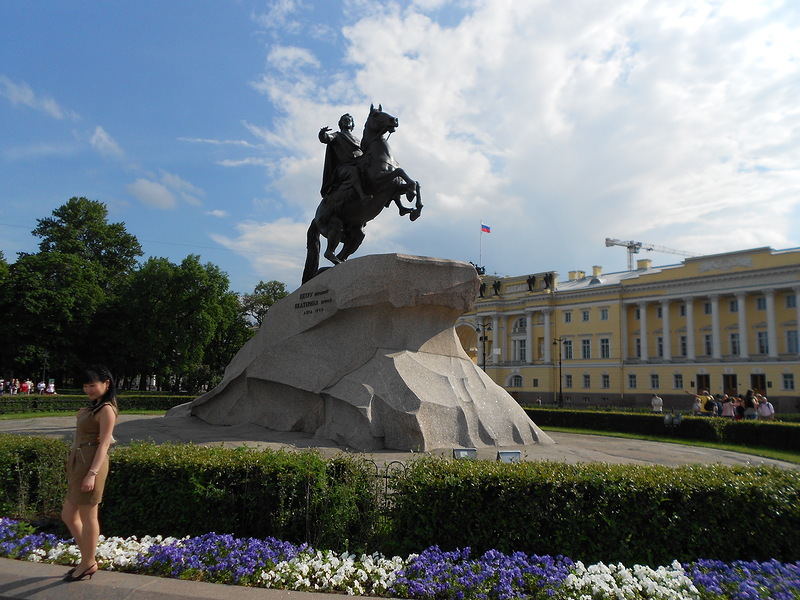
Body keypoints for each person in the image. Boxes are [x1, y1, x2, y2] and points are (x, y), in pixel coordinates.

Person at [60, 365, 118, 582]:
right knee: (68, 515)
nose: (88, 389)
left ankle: (87, 562)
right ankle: (88, 559)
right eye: (85, 385)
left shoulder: (106, 410)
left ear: (106, 384)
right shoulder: (95, 407)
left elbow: (104, 444)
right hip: (80, 462)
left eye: (92, 385)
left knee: (88, 515)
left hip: (92, 463)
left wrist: (92, 474)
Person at [318, 113, 372, 204]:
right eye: (345, 120)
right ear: (340, 124)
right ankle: (362, 195)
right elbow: (326, 138)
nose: (347, 121)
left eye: (349, 120)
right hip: (344, 167)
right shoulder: (337, 135)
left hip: (359, 163)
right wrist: (322, 134)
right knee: (353, 172)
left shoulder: (357, 139)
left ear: (352, 124)